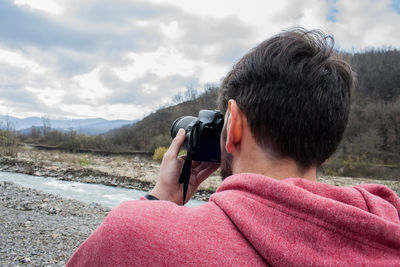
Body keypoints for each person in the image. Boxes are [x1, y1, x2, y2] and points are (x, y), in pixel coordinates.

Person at [67, 29, 400, 266]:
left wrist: (159, 200)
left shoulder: (135, 235)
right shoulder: (387, 226)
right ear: (328, 141)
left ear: (235, 124)